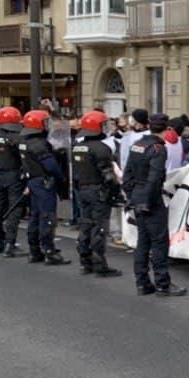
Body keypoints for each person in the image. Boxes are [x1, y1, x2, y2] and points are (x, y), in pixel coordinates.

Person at [122, 112, 186, 297]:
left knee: (143, 241)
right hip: (151, 199)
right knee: (159, 242)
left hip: (137, 195)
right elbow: (155, 178)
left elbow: (127, 174)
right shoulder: (158, 148)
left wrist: (132, 197)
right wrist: (148, 200)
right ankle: (163, 283)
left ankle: (142, 283)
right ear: (167, 129)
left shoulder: (137, 145)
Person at [71, 110, 122, 277]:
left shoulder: (77, 147)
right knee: (99, 227)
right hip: (98, 190)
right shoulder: (101, 148)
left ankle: (85, 261)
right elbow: (108, 175)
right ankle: (99, 264)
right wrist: (116, 192)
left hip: (83, 189)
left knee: (85, 224)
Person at [17, 109, 69, 266]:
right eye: (45, 122)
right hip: (44, 182)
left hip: (33, 181)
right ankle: (49, 251)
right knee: (47, 217)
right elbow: (50, 166)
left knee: (35, 215)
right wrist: (61, 177)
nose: (47, 125)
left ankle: (34, 250)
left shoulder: (24, 141)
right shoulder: (39, 144)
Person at [0, 106, 26, 257]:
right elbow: (23, 160)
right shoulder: (16, 138)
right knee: (14, 209)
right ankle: (10, 243)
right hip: (14, 175)